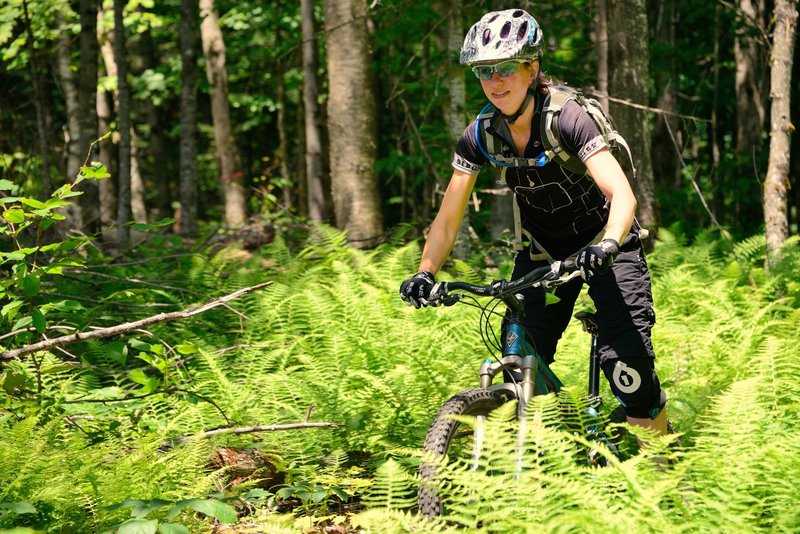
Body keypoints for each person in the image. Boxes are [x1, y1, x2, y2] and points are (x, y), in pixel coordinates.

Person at [399, 8, 668, 435]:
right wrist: (425, 272)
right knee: (518, 359)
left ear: (532, 68)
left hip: (606, 246)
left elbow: (622, 194)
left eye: (505, 68)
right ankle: (549, 461)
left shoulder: (569, 117)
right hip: (544, 252)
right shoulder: (480, 134)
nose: (495, 81)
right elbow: (448, 215)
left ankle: (662, 477)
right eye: (484, 72)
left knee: (629, 372)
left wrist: (610, 243)